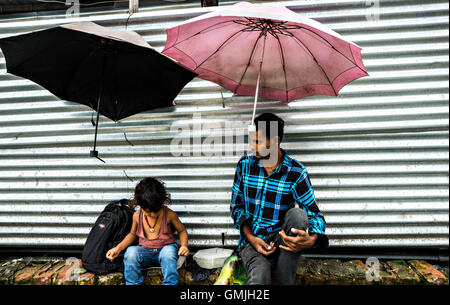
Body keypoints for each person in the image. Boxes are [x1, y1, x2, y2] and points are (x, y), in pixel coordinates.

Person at [230, 113, 328, 285]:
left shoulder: (296, 172)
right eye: (251, 140)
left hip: (282, 240)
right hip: (253, 241)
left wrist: (311, 239)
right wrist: (251, 238)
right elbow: (236, 208)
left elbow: (314, 215)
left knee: (298, 215)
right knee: (259, 277)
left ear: (275, 141)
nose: (253, 146)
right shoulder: (244, 166)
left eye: (258, 141)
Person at [106, 177, 189, 285]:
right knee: (131, 252)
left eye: (156, 211)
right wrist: (118, 248)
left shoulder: (169, 214)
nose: (153, 215)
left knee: (168, 253)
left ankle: (170, 283)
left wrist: (184, 245)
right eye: (149, 212)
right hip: (144, 252)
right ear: (140, 205)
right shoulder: (137, 216)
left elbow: (182, 231)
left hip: (165, 250)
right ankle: (133, 283)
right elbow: (132, 234)